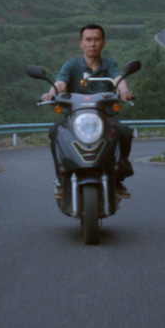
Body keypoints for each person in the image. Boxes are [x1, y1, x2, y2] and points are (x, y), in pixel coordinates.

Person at [43, 23, 134, 198]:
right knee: (55, 131)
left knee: (124, 132)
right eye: (88, 40)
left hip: (104, 118)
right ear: (81, 43)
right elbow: (61, 83)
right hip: (74, 118)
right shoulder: (71, 65)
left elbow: (118, 78)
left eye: (96, 40)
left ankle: (118, 177)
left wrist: (123, 90)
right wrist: (51, 92)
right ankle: (62, 179)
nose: (92, 44)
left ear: (103, 43)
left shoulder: (109, 64)